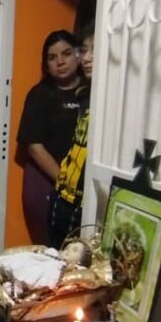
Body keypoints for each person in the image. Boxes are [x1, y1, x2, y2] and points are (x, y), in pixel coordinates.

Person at [16, 29, 85, 244]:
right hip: (48, 181)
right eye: (52, 57)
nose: (60, 62)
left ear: (78, 55)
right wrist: (65, 183)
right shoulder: (39, 94)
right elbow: (34, 147)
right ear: (46, 64)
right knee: (53, 248)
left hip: (83, 182)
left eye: (66, 54)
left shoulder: (92, 92)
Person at [48, 25, 94, 248]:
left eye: (94, 50)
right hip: (63, 195)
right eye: (83, 50)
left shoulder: (113, 98)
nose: (86, 58)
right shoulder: (84, 96)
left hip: (87, 201)